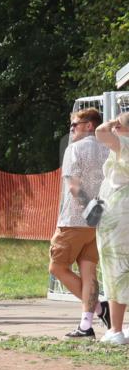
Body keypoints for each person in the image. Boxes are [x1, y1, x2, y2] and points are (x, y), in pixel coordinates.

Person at [51, 109, 111, 338]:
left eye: (74, 124)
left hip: (74, 220)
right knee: (89, 272)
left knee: (57, 267)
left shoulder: (74, 149)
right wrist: (97, 213)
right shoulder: (109, 149)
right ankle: (86, 324)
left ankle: (98, 308)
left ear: (89, 125)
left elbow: (74, 185)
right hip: (99, 220)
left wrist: (88, 210)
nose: (71, 128)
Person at [93, 111, 129, 345]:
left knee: (116, 268)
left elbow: (99, 132)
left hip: (118, 217)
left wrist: (113, 123)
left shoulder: (124, 143)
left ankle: (116, 329)